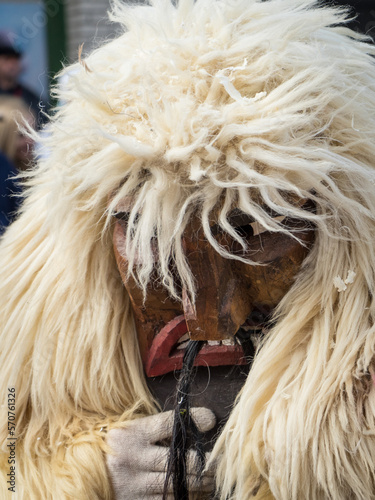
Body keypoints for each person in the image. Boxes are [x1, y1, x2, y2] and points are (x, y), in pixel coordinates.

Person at [1, 0, 375, 499]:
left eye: (252, 235)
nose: (209, 319)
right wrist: (80, 477)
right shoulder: (41, 304)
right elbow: (12, 449)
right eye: (151, 239)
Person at [0, 33, 45, 127]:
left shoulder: (31, 98)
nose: (12, 64)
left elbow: (44, 127)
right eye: (7, 59)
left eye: (16, 59)